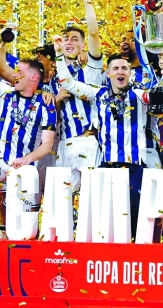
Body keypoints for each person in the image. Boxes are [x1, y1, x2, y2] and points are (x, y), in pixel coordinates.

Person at [53, 40, 151, 235]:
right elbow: (67, 83)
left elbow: (158, 96)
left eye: (124, 68)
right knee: (104, 217)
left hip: (134, 166)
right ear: (108, 74)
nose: (120, 72)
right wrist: (58, 55)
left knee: (133, 218)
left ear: (130, 73)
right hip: (107, 165)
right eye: (115, 68)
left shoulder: (140, 95)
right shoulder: (99, 93)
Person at [0, 28, 56, 237]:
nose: (14, 75)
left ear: (33, 77)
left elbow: (47, 145)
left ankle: (18, 236)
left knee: (24, 227)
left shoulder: (47, 105)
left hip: (28, 165)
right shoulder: (6, 93)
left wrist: (27, 159)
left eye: (19, 72)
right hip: (1, 158)